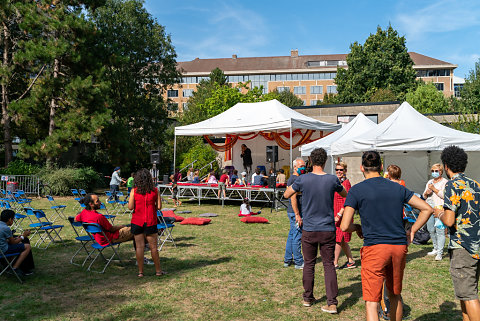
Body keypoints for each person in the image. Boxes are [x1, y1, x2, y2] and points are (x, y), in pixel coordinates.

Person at [341, 151, 432, 321]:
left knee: (371, 301)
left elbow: (345, 226)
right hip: (398, 247)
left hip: (374, 248)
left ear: (362, 168)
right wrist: (411, 230)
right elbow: (427, 209)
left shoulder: (356, 190)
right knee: (395, 294)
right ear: (382, 168)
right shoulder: (398, 187)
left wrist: (358, 227)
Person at [284, 148, 347, 314]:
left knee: (309, 264)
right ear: (325, 161)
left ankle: (308, 298)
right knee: (328, 265)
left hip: (310, 229)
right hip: (327, 228)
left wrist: (297, 185)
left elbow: (286, 194)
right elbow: (345, 193)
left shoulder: (303, 179)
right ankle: (332, 303)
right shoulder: (332, 179)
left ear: (311, 161)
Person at [435, 146, 480, 321]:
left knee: (469, 296)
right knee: (465, 293)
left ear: (446, 166)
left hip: (463, 247)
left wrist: (437, 212)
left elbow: (449, 220)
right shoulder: (475, 185)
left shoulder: (452, 185)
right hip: (476, 244)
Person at [128, 169, 165, 277]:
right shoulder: (155, 190)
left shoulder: (134, 191)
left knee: (140, 247)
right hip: (150, 221)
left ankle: (140, 272)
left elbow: (130, 207)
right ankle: (158, 271)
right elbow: (159, 207)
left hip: (137, 221)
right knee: (154, 247)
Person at [283, 157, 305, 270]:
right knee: (297, 236)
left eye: (304, 166)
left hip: (293, 212)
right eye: (301, 166)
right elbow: (293, 198)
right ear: (295, 167)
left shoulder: (296, 178)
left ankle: (287, 259)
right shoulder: (294, 179)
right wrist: (297, 214)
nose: (303, 168)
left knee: (292, 235)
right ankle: (298, 261)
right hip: (295, 212)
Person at [423, 163, 448, 261]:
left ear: (441, 171)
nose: (434, 173)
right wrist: (426, 193)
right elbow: (424, 196)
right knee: (430, 229)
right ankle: (435, 248)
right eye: (432, 171)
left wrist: (434, 189)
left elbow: (444, 195)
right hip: (429, 208)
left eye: (436, 171)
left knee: (440, 231)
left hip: (439, 208)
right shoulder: (429, 182)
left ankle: (440, 253)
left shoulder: (445, 182)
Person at [333, 161, 355, 270]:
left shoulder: (346, 183)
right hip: (336, 212)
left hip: (343, 214)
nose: (338, 171)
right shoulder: (337, 182)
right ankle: (350, 260)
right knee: (341, 240)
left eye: (341, 170)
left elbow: (347, 201)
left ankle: (334, 263)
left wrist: (339, 214)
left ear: (345, 171)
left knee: (338, 238)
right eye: (337, 169)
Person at [0, 209, 34, 277]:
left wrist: (16, 238)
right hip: (3, 250)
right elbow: (13, 243)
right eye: (13, 219)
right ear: (10, 219)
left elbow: (5, 239)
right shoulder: (6, 228)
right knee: (27, 246)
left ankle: (8, 265)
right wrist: (23, 236)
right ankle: (15, 268)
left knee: (20, 242)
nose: (13, 221)